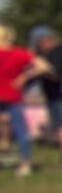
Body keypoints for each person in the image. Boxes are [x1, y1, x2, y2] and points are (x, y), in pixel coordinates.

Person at [28, 26, 62, 173]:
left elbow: (54, 73)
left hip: (58, 96)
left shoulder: (53, 54)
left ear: (44, 41)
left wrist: (38, 71)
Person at [0, 26, 49, 177]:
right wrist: (24, 76)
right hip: (13, 95)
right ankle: (25, 163)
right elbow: (44, 66)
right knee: (21, 130)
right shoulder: (20, 53)